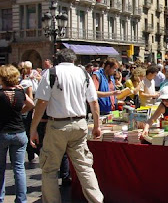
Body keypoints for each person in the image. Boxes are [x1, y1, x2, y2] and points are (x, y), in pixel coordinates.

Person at [30, 49, 104, 203]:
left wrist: (33, 128)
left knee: (50, 168)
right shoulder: (83, 74)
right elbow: (93, 102)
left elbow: (42, 103)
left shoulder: (51, 73)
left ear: (57, 59)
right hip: (79, 124)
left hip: (57, 125)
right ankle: (96, 200)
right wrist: (97, 125)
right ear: (73, 60)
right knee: (84, 167)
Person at [0, 65, 35, 203]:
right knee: (19, 168)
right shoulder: (20, 92)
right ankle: (21, 199)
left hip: (2, 132)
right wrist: (21, 112)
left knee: (1, 168)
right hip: (19, 133)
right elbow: (31, 104)